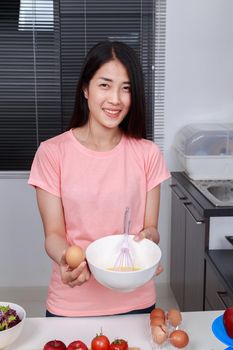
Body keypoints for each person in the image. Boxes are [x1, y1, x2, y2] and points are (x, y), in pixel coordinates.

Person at [28, 40, 170, 317]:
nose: (115, 99)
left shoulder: (148, 154)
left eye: (126, 88)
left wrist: (149, 242)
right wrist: (67, 261)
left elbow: (151, 229)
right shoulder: (52, 153)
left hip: (135, 300)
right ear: (85, 88)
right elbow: (54, 235)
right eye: (105, 85)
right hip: (72, 301)